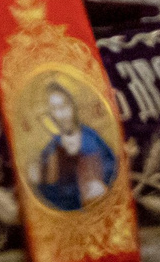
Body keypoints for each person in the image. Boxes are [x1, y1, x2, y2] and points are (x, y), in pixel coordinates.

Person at [30, 80, 116, 213]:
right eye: (55, 109)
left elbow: (111, 168)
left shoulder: (91, 138)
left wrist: (94, 180)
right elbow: (47, 193)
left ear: (73, 105)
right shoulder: (51, 147)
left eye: (64, 106)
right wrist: (41, 177)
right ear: (51, 114)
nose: (62, 115)